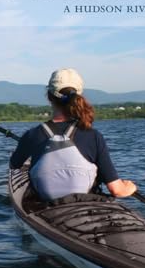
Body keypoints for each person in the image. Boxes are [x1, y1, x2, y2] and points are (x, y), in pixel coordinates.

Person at [10, 68, 137, 201]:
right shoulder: (93, 136)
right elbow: (116, 190)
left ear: (49, 96)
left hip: (46, 207)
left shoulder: (31, 135)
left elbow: (14, 165)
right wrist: (130, 187)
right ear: (79, 96)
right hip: (84, 205)